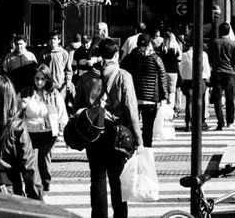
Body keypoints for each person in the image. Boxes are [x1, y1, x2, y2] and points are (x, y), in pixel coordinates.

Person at [73, 36, 143, 218]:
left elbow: (77, 107)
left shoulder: (87, 77)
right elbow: (132, 111)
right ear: (117, 54)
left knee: (97, 177)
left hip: (94, 133)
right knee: (117, 179)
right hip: (116, 133)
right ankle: (120, 216)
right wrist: (139, 139)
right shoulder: (123, 76)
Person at [19, 62, 68, 192]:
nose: (39, 82)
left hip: (48, 132)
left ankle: (45, 184)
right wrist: (21, 106)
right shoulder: (25, 92)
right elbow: (15, 113)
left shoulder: (54, 93)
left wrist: (65, 132)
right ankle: (33, 187)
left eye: (42, 79)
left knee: (44, 161)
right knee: (31, 161)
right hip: (30, 132)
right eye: (37, 78)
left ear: (47, 79)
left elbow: (62, 113)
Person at [121, 33, 168, 147]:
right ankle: (147, 150)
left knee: (132, 126)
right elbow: (162, 78)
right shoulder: (156, 58)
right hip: (150, 99)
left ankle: (133, 148)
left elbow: (122, 75)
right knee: (148, 128)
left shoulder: (129, 58)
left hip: (133, 98)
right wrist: (164, 97)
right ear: (149, 45)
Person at [209, 22, 235, 130]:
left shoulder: (214, 43)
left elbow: (210, 60)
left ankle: (220, 122)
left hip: (217, 72)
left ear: (220, 31)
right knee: (230, 98)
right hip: (229, 73)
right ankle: (230, 121)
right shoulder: (233, 44)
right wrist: (233, 70)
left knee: (217, 98)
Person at [179, 40, 211, 131]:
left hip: (188, 80)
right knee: (201, 100)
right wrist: (207, 77)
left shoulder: (185, 55)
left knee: (189, 101)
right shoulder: (203, 54)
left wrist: (183, 77)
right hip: (201, 80)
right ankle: (201, 122)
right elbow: (206, 68)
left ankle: (188, 122)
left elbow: (181, 69)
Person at [40, 31, 73, 98]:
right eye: (50, 39)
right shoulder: (43, 53)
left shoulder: (64, 53)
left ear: (59, 40)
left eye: (54, 39)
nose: (52, 41)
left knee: (60, 106)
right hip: (47, 86)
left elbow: (68, 71)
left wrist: (68, 84)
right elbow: (40, 70)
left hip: (60, 86)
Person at [160, 31, 182, 112]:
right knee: (172, 91)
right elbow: (179, 60)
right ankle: (170, 108)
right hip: (173, 72)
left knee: (164, 91)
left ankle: (163, 108)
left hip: (164, 71)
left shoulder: (162, 48)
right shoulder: (176, 49)